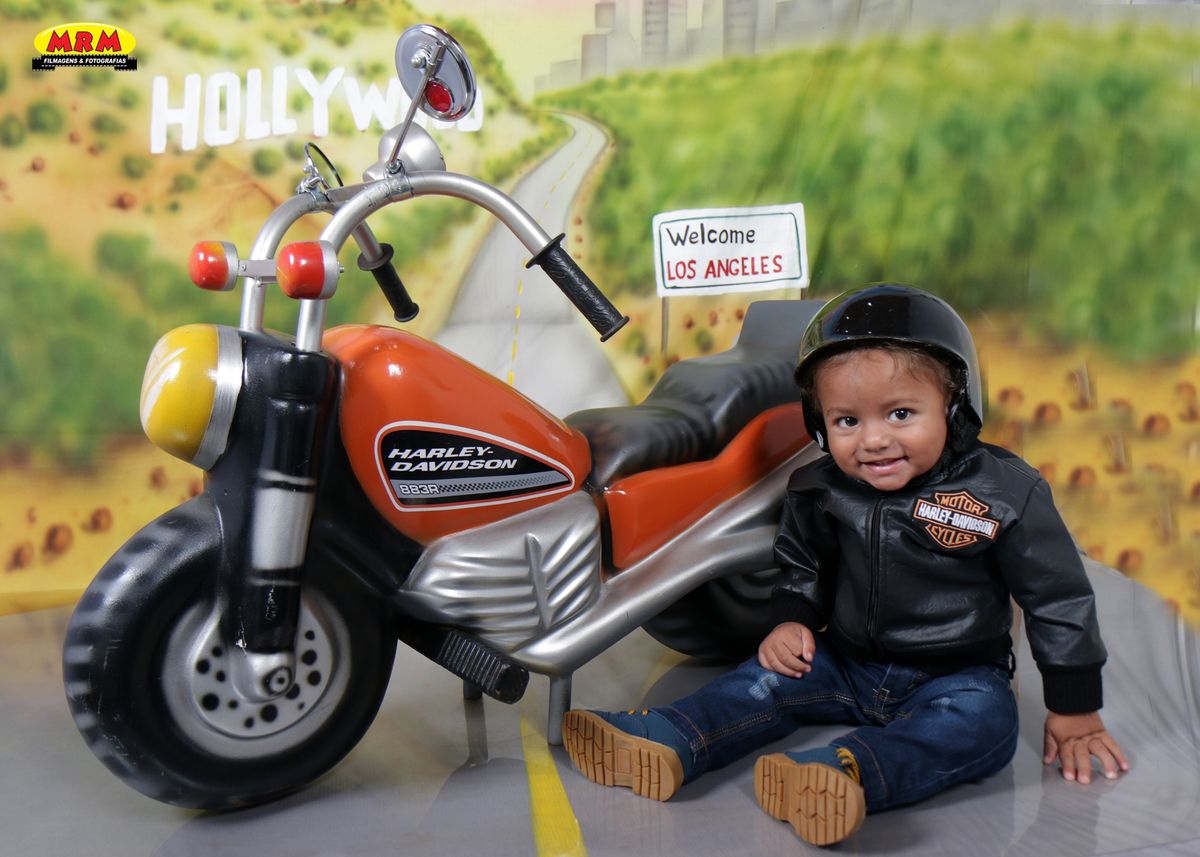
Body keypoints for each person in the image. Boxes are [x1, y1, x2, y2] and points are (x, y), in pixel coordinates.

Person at [561, 283, 1128, 847]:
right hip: (845, 660)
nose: (873, 440)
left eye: (900, 413)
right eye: (846, 421)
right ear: (818, 423)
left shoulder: (1005, 491)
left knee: (981, 725)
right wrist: (792, 621)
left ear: (955, 405)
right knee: (762, 681)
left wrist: (1075, 706)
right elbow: (805, 564)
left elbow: (1058, 598)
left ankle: (845, 771)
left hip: (958, 675)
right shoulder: (820, 487)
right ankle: (673, 735)